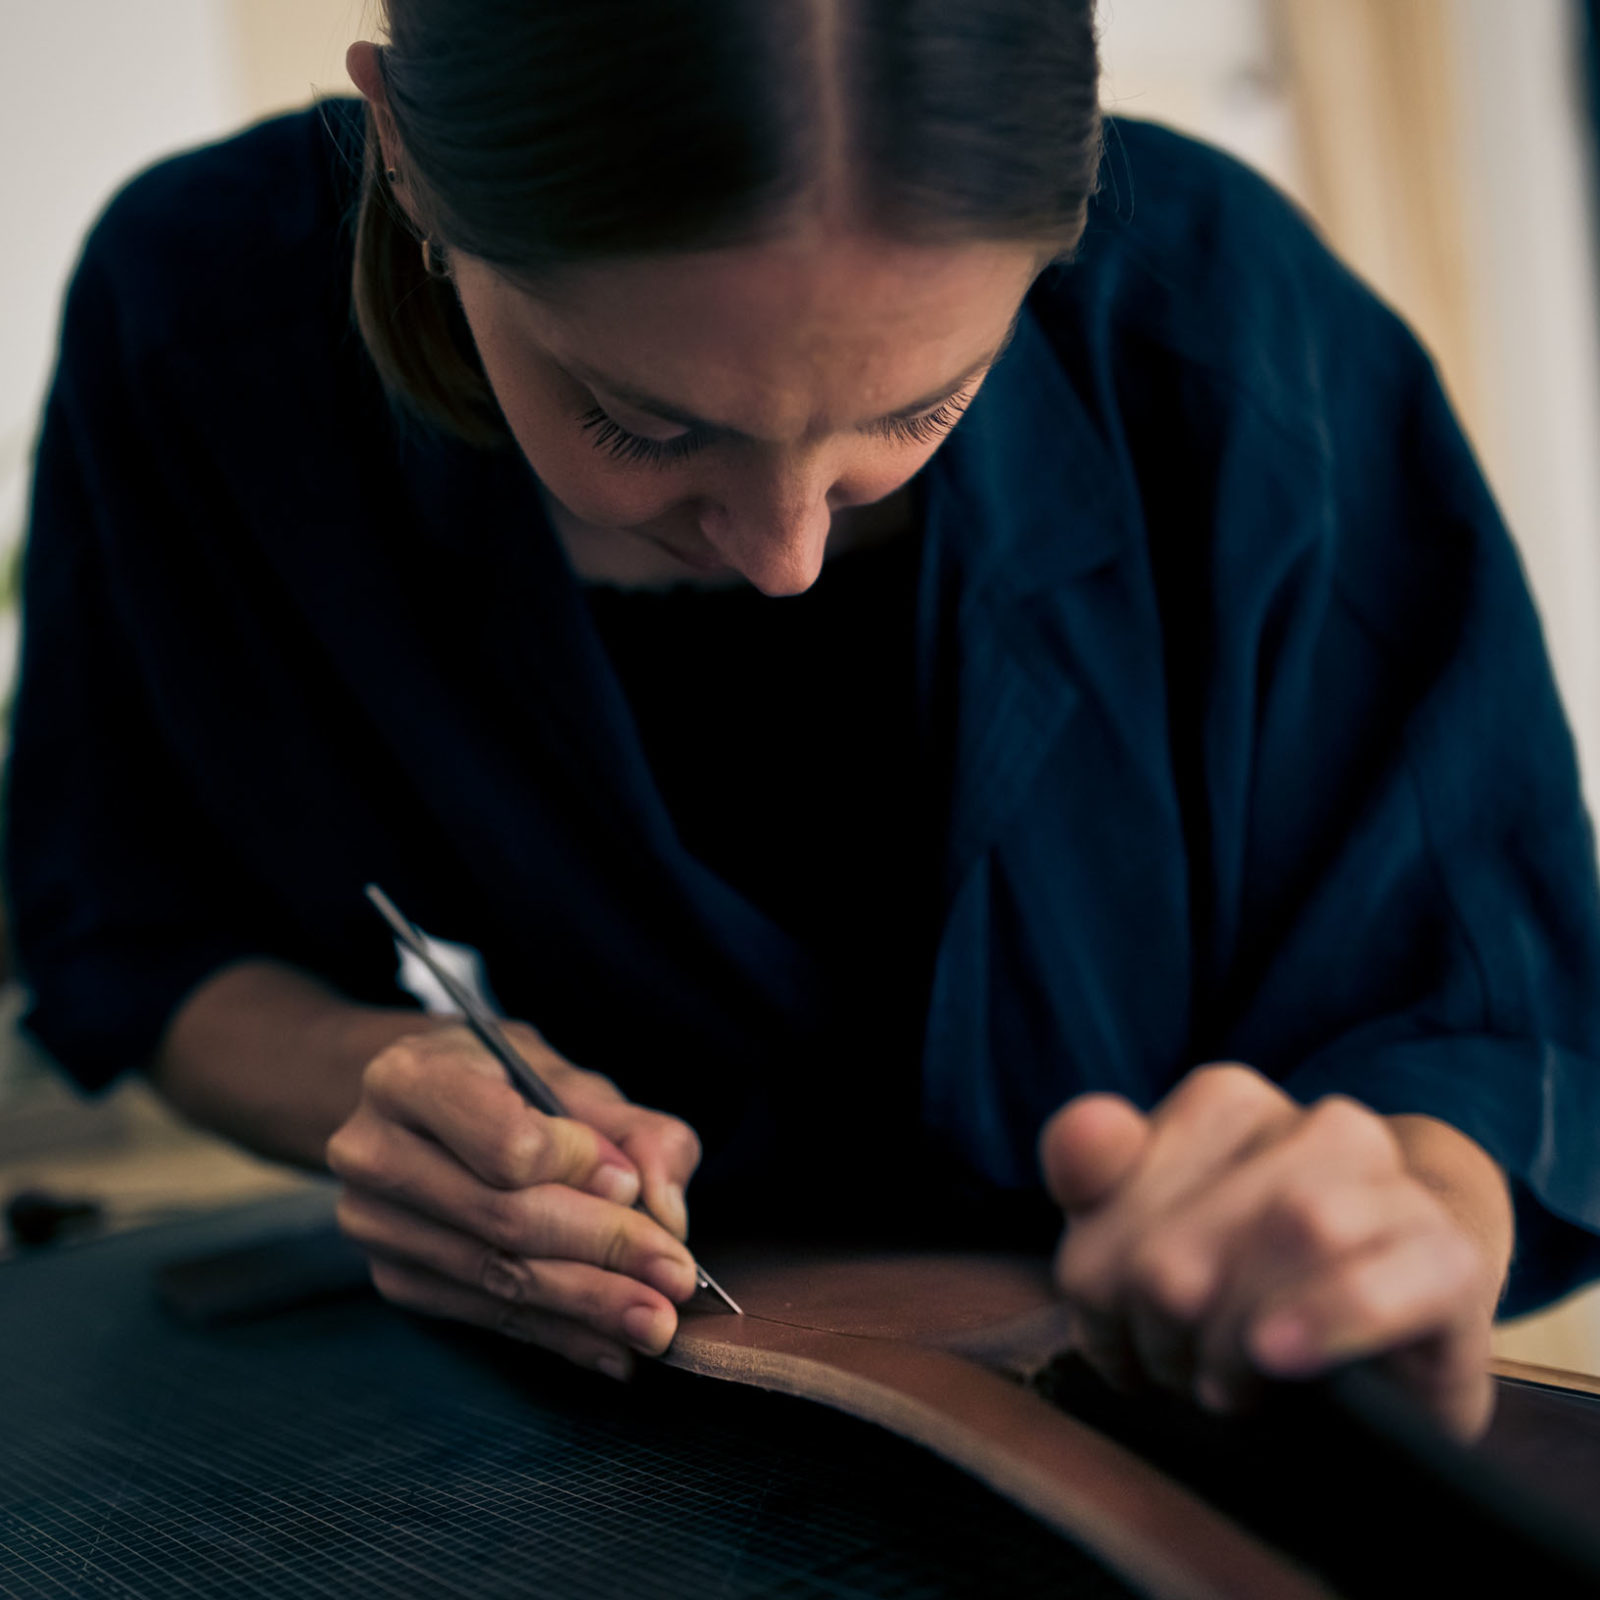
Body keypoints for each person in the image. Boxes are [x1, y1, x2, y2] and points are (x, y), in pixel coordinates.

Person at [8, 0, 1600, 1442]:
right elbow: (129, 922)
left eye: (921, 406)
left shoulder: (1236, 336)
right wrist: (375, 1078)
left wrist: (1404, 1206)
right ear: (409, 159)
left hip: (1168, 1437)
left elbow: (1489, 1016)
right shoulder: (198, 330)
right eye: (641, 420)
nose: (786, 555)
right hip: (527, 1448)